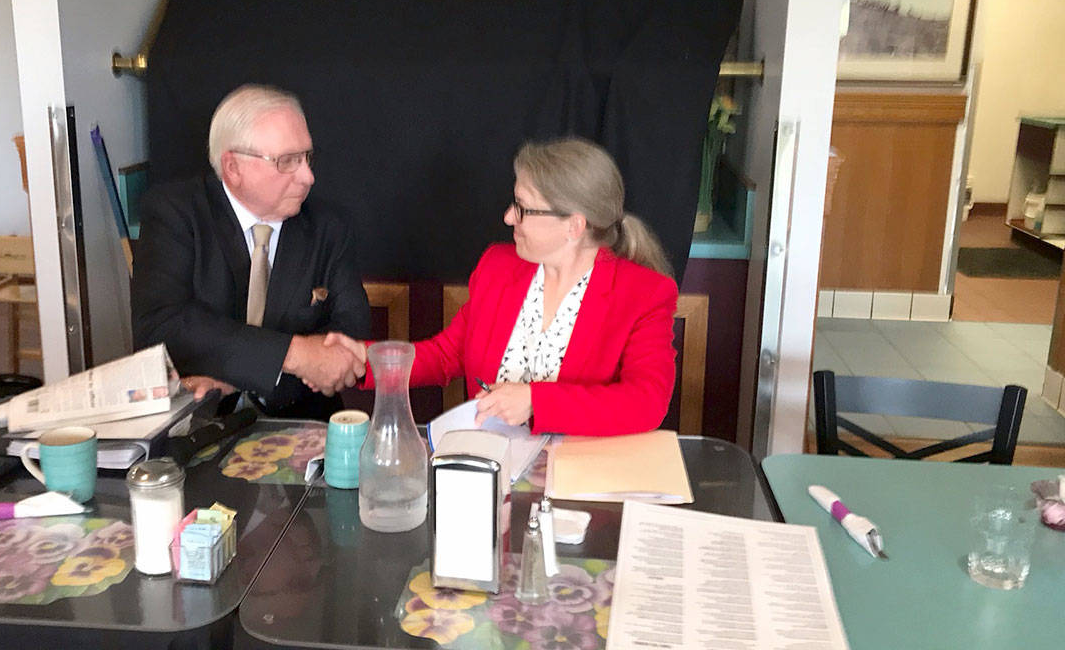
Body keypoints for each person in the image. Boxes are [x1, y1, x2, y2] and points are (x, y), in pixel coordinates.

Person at [330, 137, 678, 436]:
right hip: (490, 469)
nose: (508, 217)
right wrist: (369, 360)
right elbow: (446, 355)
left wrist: (534, 401)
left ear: (574, 226)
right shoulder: (498, 267)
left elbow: (646, 402)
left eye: (523, 209)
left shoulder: (645, 294)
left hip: (580, 476)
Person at [131, 84, 369, 420]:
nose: (308, 176)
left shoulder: (328, 228)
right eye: (288, 161)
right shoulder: (175, 214)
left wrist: (236, 377)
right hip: (196, 424)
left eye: (307, 158)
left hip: (300, 421)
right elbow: (162, 325)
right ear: (233, 167)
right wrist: (295, 354)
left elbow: (349, 335)